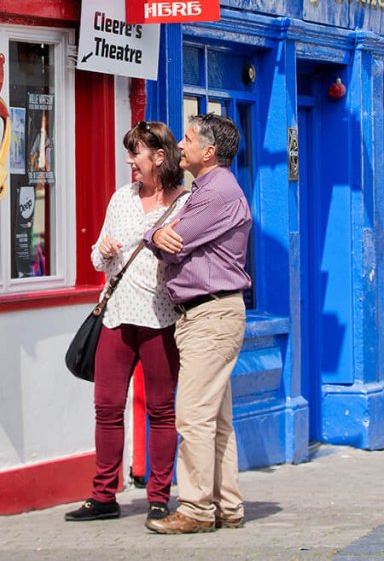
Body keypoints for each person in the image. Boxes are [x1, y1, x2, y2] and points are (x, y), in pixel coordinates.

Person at [65, 121, 188, 524]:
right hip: (116, 316)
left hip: (159, 317)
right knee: (106, 408)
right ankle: (103, 496)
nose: (130, 160)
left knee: (161, 410)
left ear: (160, 156)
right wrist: (101, 249)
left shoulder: (184, 203)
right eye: (130, 152)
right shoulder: (121, 199)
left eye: (135, 153)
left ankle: (158, 496)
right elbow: (99, 260)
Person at [144, 112, 252, 535]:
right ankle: (227, 505)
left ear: (209, 152)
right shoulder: (206, 189)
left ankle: (195, 509)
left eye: (187, 139)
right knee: (216, 420)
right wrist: (156, 235)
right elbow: (161, 235)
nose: (180, 146)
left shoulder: (217, 192)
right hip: (209, 314)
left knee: (192, 417)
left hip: (210, 315)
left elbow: (175, 243)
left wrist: (157, 237)